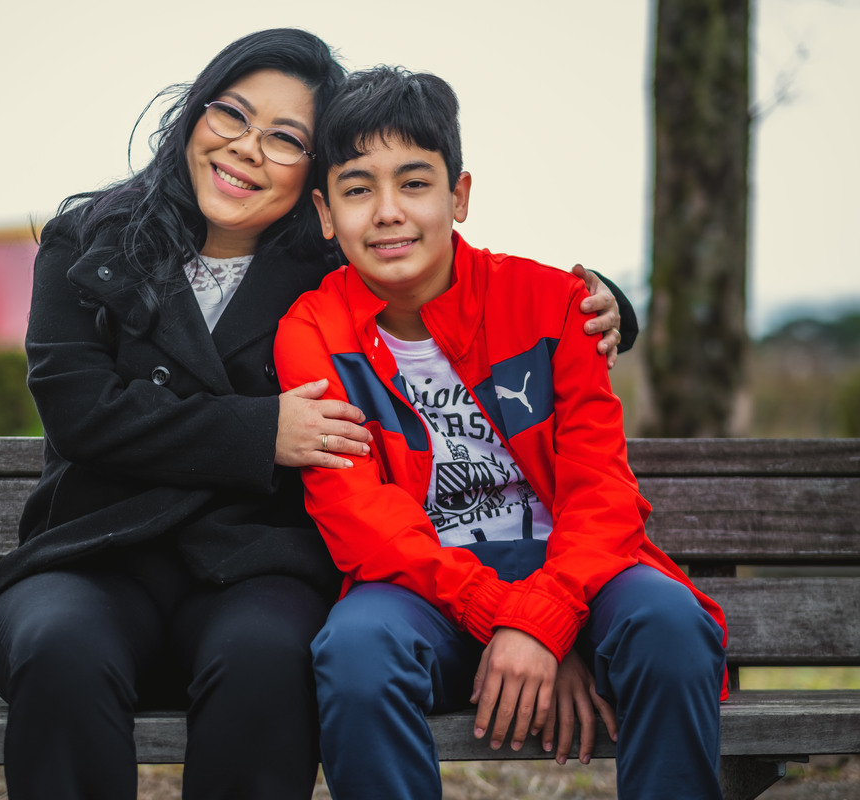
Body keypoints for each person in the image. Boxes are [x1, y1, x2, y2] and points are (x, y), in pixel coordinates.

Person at [0, 29, 636, 800]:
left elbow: (452, 275)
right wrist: (262, 432)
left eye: (286, 138)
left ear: (318, 183)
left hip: (255, 565)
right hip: (93, 556)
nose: (248, 148)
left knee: (272, 654)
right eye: (231, 114)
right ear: (194, 116)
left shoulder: (331, 267)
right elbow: (81, 412)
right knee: (61, 647)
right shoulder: (90, 243)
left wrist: (607, 303)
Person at [274, 66, 729, 800]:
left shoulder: (553, 304)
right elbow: (362, 520)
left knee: (670, 625)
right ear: (326, 213)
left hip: (577, 573)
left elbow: (600, 490)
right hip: (423, 588)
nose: (388, 212)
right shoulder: (312, 331)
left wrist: (551, 617)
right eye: (359, 189)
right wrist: (513, 620)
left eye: (414, 182)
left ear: (458, 196)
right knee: (356, 652)